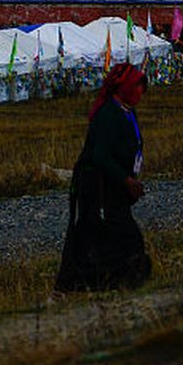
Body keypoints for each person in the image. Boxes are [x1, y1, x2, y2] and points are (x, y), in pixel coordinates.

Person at [55, 62, 152, 292]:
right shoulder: (109, 114)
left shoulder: (128, 112)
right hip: (98, 186)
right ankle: (94, 282)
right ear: (124, 88)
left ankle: (101, 282)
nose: (141, 92)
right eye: (136, 86)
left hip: (115, 186)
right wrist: (126, 181)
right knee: (113, 235)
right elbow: (101, 155)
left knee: (104, 234)